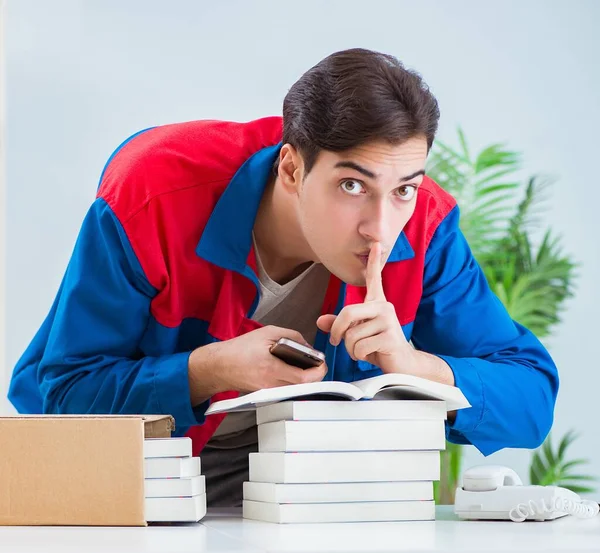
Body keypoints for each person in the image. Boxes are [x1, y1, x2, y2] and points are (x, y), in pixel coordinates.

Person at [8, 48, 558, 507]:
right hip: (140, 486)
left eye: (403, 189)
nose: (381, 227)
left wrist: (415, 367)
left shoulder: (429, 226)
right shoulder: (154, 192)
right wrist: (209, 368)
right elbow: (62, 397)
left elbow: (532, 398)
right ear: (292, 168)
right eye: (352, 186)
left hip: (310, 498)